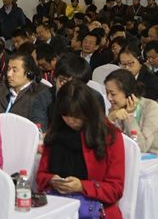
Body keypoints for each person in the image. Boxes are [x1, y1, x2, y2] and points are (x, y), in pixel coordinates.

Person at [36, 80, 126, 219]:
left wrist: (82, 186)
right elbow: (41, 176)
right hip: (58, 206)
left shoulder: (109, 136)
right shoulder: (57, 132)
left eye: (77, 116)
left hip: (94, 209)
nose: (70, 121)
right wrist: (52, 180)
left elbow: (115, 189)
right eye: (65, 115)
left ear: (88, 112)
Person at [104, 69, 158, 155]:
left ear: (128, 93)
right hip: (127, 156)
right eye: (107, 93)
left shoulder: (150, 107)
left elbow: (142, 147)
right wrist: (110, 119)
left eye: (113, 94)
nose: (109, 98)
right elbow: (105, 142)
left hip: (155, 158)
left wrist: (129, 116)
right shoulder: (115, 109)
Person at [0, 52, 53, 130]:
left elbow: (40, 128)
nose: (9, 74)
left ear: (29, 73)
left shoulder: (41, 94)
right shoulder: (0, 90)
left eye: (14, 70)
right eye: (8, 69)